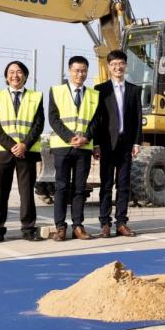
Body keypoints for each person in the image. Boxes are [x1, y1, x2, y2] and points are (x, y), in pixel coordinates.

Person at [0, 61, 44, 242]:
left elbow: (38, 124)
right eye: (11, 72)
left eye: (19, 72)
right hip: (4, 152)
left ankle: (28, 229)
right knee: (1, 193)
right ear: (6, 77)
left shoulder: (36, 96)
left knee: (26, 193)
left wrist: (24, 145)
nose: (15, 75)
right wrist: (12, 145)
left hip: (26, 152)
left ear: (25, 76)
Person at [47, 55, 100, 241]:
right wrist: (70, 137)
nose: (80, 74)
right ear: (70, 71)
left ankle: (78, 226)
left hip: (84, 148)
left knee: (79, 189)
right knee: (61, 187)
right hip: (63, 147)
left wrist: (86, 137)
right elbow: (53, 119)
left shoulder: (94, 95)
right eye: (77, 70)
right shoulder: (56, 91)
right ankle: (60, 227)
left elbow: (96, 121)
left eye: (84, 70)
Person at [93, 49, 142, 238]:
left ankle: (121, 222)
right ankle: (105, 223)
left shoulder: (134, 90)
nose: (117, 67)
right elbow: (97, 120)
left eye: (121, 64)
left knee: (123, 185)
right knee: (106, 185)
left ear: (126, 66)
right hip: (107, 144)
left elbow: (138, 118)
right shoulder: (101, 90)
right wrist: (96, 144)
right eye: (113, 65)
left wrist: (137, 142)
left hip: (126, 145)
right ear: (109, 67)